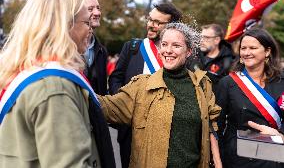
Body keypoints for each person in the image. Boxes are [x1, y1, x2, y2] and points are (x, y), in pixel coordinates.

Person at [0, 0, 115, 168]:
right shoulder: (55, 87)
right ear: (65, 26)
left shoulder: (24, 70)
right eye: (86, 23)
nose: (91, 30)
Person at [99, 22, 222, 168]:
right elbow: (108, 107)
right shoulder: (141, 85)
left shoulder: (202, 85)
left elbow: (211, 126)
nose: (168, 50)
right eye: (164, 44)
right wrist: (76, 86)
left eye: (176, 46)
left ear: (188, 51)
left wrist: (218, 162)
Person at [108, 2, 182, 168]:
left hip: (165, 130)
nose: (151, 25)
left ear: (172, 26)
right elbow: (116, 78)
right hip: (131, 128)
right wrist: (123, 102)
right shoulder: (132, 47)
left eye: (157, 22)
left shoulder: (179, 54)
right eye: (150, 19)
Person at [216, 28, 284, 168]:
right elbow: (216, 127)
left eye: (252, 48)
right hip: (240, 158)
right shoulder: (228, 83)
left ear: (267, 51)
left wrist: (279, 135)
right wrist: (217, 162)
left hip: (277, 156)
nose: (246, 53)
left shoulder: (281, 82)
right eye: (243, 48)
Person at [187, 24, 234, 92]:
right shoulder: (193, 55)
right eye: (201, 37)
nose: (202, 40)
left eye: (206, 37)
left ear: (217, 40)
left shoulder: (228, 62)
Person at [83, 0, 108, 95]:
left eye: (98, 8)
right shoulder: (65, 49)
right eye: (90, 9)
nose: (97, 13)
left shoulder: (102, 51)